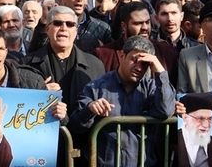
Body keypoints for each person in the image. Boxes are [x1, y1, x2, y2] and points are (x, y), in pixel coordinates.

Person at [69, 35, 175, 166]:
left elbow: (165, 111)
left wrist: (160, 70)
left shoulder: (152, 88)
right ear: (121, 56)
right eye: (134, 60)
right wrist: (90, 109)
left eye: (145, 64)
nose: (139, 68)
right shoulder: (97, 87)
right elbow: (75, 125)